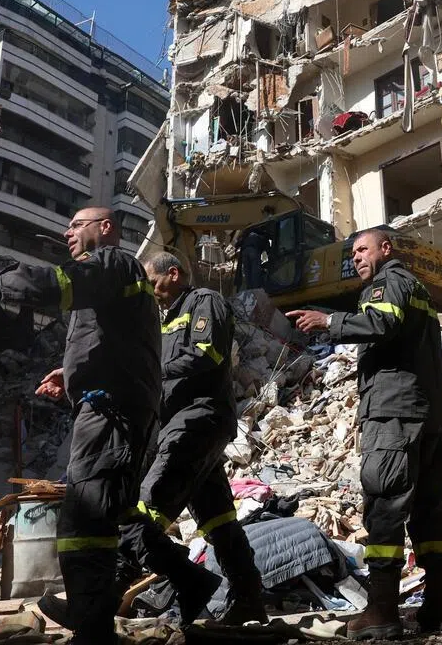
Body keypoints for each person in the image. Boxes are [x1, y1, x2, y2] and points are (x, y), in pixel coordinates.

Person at [0, 209, 161, 645]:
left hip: (111, 412)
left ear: (106, 228)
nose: (67, 231)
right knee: (112, 513)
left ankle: (92, 626)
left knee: (85, 519)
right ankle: (171, 586)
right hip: (109, 406)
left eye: (77, 225)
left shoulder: (112, 264)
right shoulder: (113, 279)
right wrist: (70, 374)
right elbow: (114, 340)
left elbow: (53, 284)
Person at [287, 230, 442, 640]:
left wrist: (330, 320)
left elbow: (383, 321)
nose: (356, 257)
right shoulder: (416, 289)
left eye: (363, 249)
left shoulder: (387, 282)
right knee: (429, 510)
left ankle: (382, 612)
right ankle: (440, 606)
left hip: (395, 414)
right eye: (353, 252)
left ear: (386, 249)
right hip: (426, 416)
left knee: (384, 504)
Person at [115, 252, 267, 625]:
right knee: (219, 521)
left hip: (199, 419)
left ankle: (104, 594)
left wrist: (149, 369)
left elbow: (207, 352)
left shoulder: (204, 301)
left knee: (147, 506)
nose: (152, 293)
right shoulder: (160, 319)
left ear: (174, 273)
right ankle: (249, 599)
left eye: (154, 283)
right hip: (179, 423)